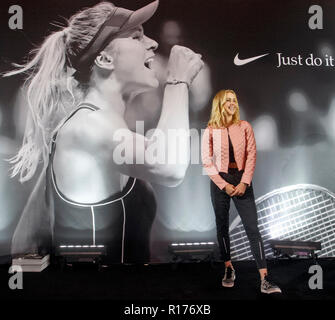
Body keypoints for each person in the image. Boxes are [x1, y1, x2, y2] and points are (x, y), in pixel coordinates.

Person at [5, 0, 203, 263]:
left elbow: (26, 239)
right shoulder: (87, 127)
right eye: (136, 36)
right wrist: (177, 81)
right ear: (105, 58)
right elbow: (170, 167)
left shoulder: (89, 127)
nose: (153, 43)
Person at [201, 89, 281, 294]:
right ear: (220, 103)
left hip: (242, 180)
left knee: (252, 228)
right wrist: (223, 184)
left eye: (234, 100)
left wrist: (244, 182)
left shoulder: (245, 126)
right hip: (220, 181)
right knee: (222, 227)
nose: (232, 103)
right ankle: (228, 268)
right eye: (228, 100)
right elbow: (206, 162)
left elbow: (252, 155)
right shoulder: (210, 130)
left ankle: (265, 278)